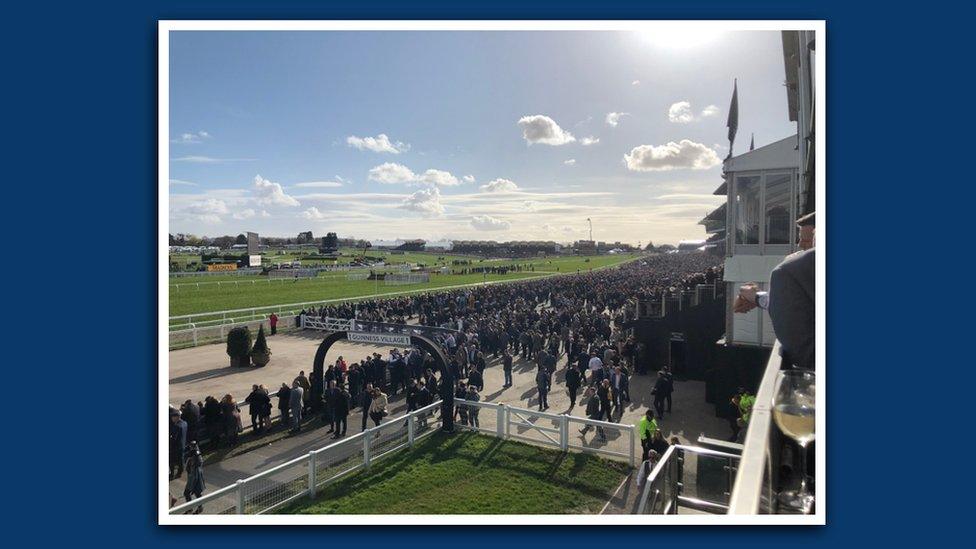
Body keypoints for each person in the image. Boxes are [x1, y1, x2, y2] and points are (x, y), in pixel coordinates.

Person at [182, 441, 205, 514]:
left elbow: (198, 463)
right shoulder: (193, 453)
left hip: (194, 476)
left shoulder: (196, 454)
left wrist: (193, 456)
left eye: (192, 446)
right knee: (197, 493)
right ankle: (198, 508)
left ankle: (191, 508)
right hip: (193, 476)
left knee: (188, 493)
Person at [169, 408, 188, 479]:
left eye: (173, 417)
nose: (171, 418)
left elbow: (173, 438)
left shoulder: (176, 426)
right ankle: (180, 473)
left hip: (175, 447)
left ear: (177, 417)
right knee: (181, 460)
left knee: (171, 461)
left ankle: (171, 475)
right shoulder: (184, 423)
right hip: (182, 445)